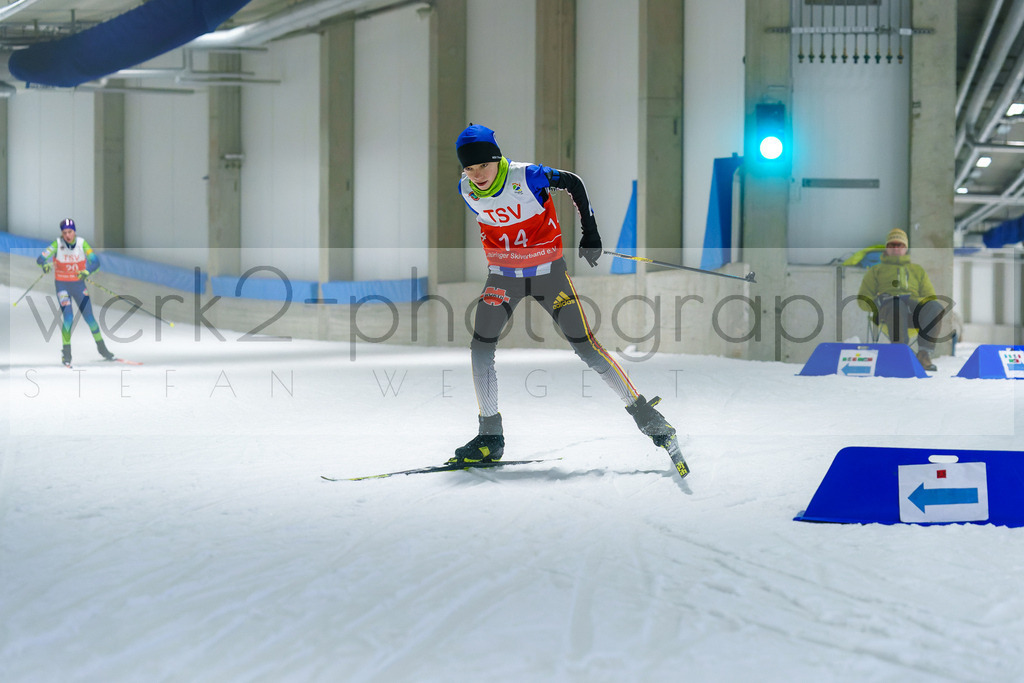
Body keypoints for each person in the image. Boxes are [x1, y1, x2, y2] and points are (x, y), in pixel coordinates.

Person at [451, 124, 676, 464]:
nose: (477, 174)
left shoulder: (526, 176)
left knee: (586, 347)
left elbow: (573, 182)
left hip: (549, 277)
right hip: (503, 277)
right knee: (480, 348)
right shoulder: (466, 189)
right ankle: (490, 435)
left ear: (497, 159)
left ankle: (646, 416)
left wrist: (591, 233)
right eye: (469, 167)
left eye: (483, 165)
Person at [857, 227, 944, 371]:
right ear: (887, 248)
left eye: (900, 245)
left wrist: (913, 301)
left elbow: (930, 297)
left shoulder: (917, 270)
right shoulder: (876, 271)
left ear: (906, 248)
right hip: (887, 311)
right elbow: (863, 300)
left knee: (935, 307)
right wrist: (877, 302)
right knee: (896, 305)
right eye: (892, 245)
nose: (896, 248)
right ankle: (900, 353)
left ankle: (924, 354)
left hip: (913, 311)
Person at [36, 218, 115, 366]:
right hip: (62, 286)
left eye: (70, 232)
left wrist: (86, 271)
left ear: (74, 231)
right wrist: (44, 265)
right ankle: (66, 354)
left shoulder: (82, 243)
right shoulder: (57, 244)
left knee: (90, 318)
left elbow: (95, 262)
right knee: (68, 317)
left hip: (78, 286)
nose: (67, 235)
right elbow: (40, 258)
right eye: (65, 232)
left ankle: (103, 349)